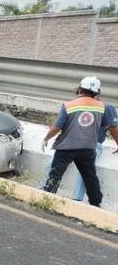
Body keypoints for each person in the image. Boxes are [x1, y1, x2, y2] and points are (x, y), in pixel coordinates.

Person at [41, 76, 118, 207]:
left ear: (80, 89)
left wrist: (46, 138)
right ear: (97, 92)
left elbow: (57, 127)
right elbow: (112, 127)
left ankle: (46, 197)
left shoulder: (69, 105)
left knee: (55, 173)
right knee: (90, 176)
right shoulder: (102, 107)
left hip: (66, 147)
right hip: (87, 149)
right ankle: (96, 203)